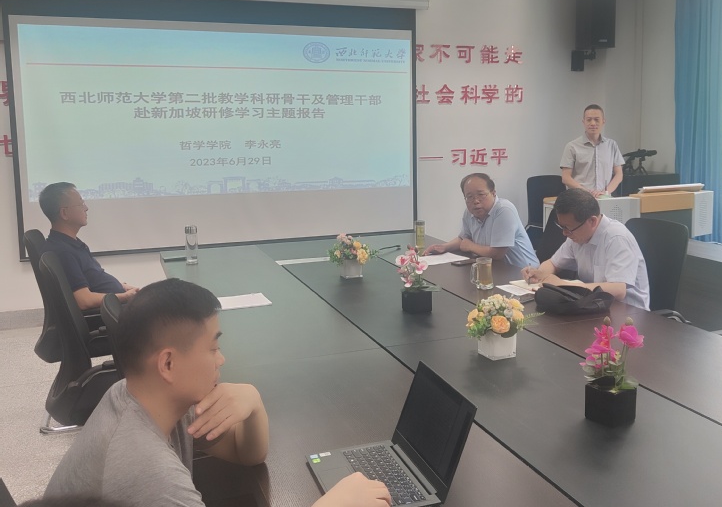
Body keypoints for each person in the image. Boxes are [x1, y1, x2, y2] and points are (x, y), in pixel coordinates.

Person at [45, 278, 389, 507]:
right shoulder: (151, 476)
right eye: (213, 348)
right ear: (168, 364)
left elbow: (247, 454)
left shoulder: (139, 394)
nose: (221, 359)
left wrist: (253, 402)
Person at [521, 189, 649, 310]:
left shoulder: (617, 238)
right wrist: (540, 274)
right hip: (595, 306)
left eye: (568, 228)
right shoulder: (577, 235)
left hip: (629, 313)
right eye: (562, 227)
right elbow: (553, 263)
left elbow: (618, 290)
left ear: (592, 221)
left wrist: (566, 286)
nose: (564, 233)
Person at [39, 182, 138, 310]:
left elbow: (93, 277)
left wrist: (122, 287)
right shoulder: (63, 252)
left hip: (116, 304)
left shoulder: (70, 244)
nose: (86, 208)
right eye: (81, 204)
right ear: (64, 213)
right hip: (111, 312)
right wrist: (125, 296)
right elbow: (84, 300)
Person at [425, 173, 539, 269]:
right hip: (495, 269)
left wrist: (471, 246)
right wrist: (444, 247)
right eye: (469, 197)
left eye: (481, 194)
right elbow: (463, 239)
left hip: (523, 273)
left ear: (493, 193)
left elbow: (497, 254)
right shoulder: (469, 212)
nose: (476, 201)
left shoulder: (504, 210)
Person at [560, 104, 624, 198]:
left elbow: (619, 174)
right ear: (583, 122)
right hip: (580, 198)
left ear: (603, 121)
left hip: (604, 198)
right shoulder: (572, 146)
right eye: (589, 120)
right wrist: (585, 192)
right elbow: (566, 178)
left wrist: (606, 192)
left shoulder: (612, 145)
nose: (593, 123)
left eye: (597, 120)